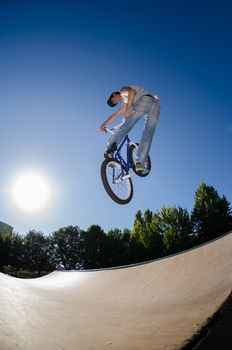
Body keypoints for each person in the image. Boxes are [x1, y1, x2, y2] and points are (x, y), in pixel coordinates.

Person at [99, 85, 160, 174]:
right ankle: (140, 163)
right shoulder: (126, 100)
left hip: (145, 100)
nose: (116, 102)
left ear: (114, 94)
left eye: (114, 100)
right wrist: (103, 124)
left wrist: (128, 110)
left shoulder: (123, 90)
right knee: (148, 134)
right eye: (115, 103)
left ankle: (110, 148)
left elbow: (132, 92)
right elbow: (116, 115)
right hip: (155, 105)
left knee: (127, 125)